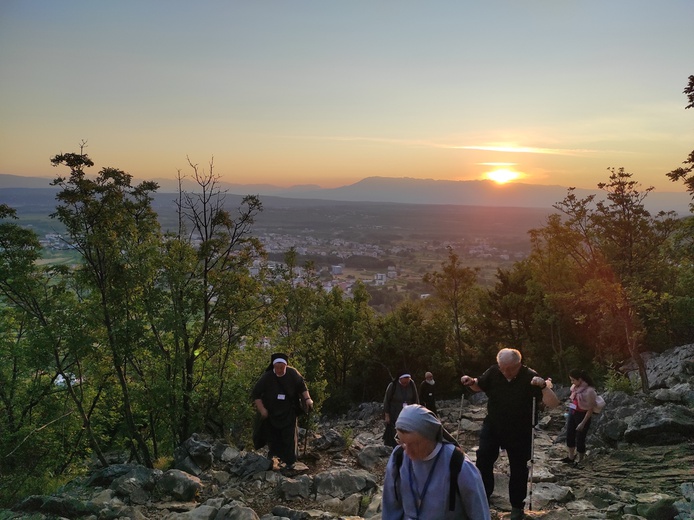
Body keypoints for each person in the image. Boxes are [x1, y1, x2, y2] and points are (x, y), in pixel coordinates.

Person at [460, 348, 560, 520]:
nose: (505, 371)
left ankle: (516, 507)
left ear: (518, 364)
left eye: (509, 368)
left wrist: (543, 386)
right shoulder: (493, 371)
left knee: (519, 468)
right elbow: (479, 385)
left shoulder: (530, 376)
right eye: (502, 367)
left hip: (520, 430)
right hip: (494, 425)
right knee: (483, 459)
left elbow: (553, 403)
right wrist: (471, 382)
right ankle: (483, 498)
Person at [382, 404, 490, 519]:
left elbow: (480, 514)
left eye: (414, 444)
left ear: (430, 437)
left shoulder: (459, 466)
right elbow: (390, 507)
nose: (407, 451)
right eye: (402, 442)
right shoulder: (398, 458)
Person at [251, 352, 313, 469]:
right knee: (273, 436)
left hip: (288, 411)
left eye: (282, 367)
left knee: (289, 437)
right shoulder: (267, 377)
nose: (279, 369)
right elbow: (256, 394)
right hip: (272, 413)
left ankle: (290, 462)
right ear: (273, 366)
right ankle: (274, 457)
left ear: (286, 366)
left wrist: (308, 399)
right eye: (277, 367)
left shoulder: (292, 373)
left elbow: (302, 386)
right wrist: (262, 410)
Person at [562, 369, 598, 467]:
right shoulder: (574, 388)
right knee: (569, 434)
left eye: (573, 380)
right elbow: (573, 399)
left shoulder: (589, 391)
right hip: (573, 412)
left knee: (580, 438)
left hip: (583, 415)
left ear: (580, 379)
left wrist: (583, 423)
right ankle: (571, 456)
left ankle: (580, 460)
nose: (572, 382)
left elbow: (590, 409)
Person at [383, 372, 419, 447]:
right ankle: (396, 447)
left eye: (407, 381)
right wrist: (387, 415)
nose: (406, 384)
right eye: (404, 382)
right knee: (396, 431)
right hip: (395, 412)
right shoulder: (392, 386)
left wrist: (417, 411)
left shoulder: (412, 384)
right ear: (400, 379)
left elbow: (416, 398)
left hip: (409, 412)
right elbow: (386, 400)